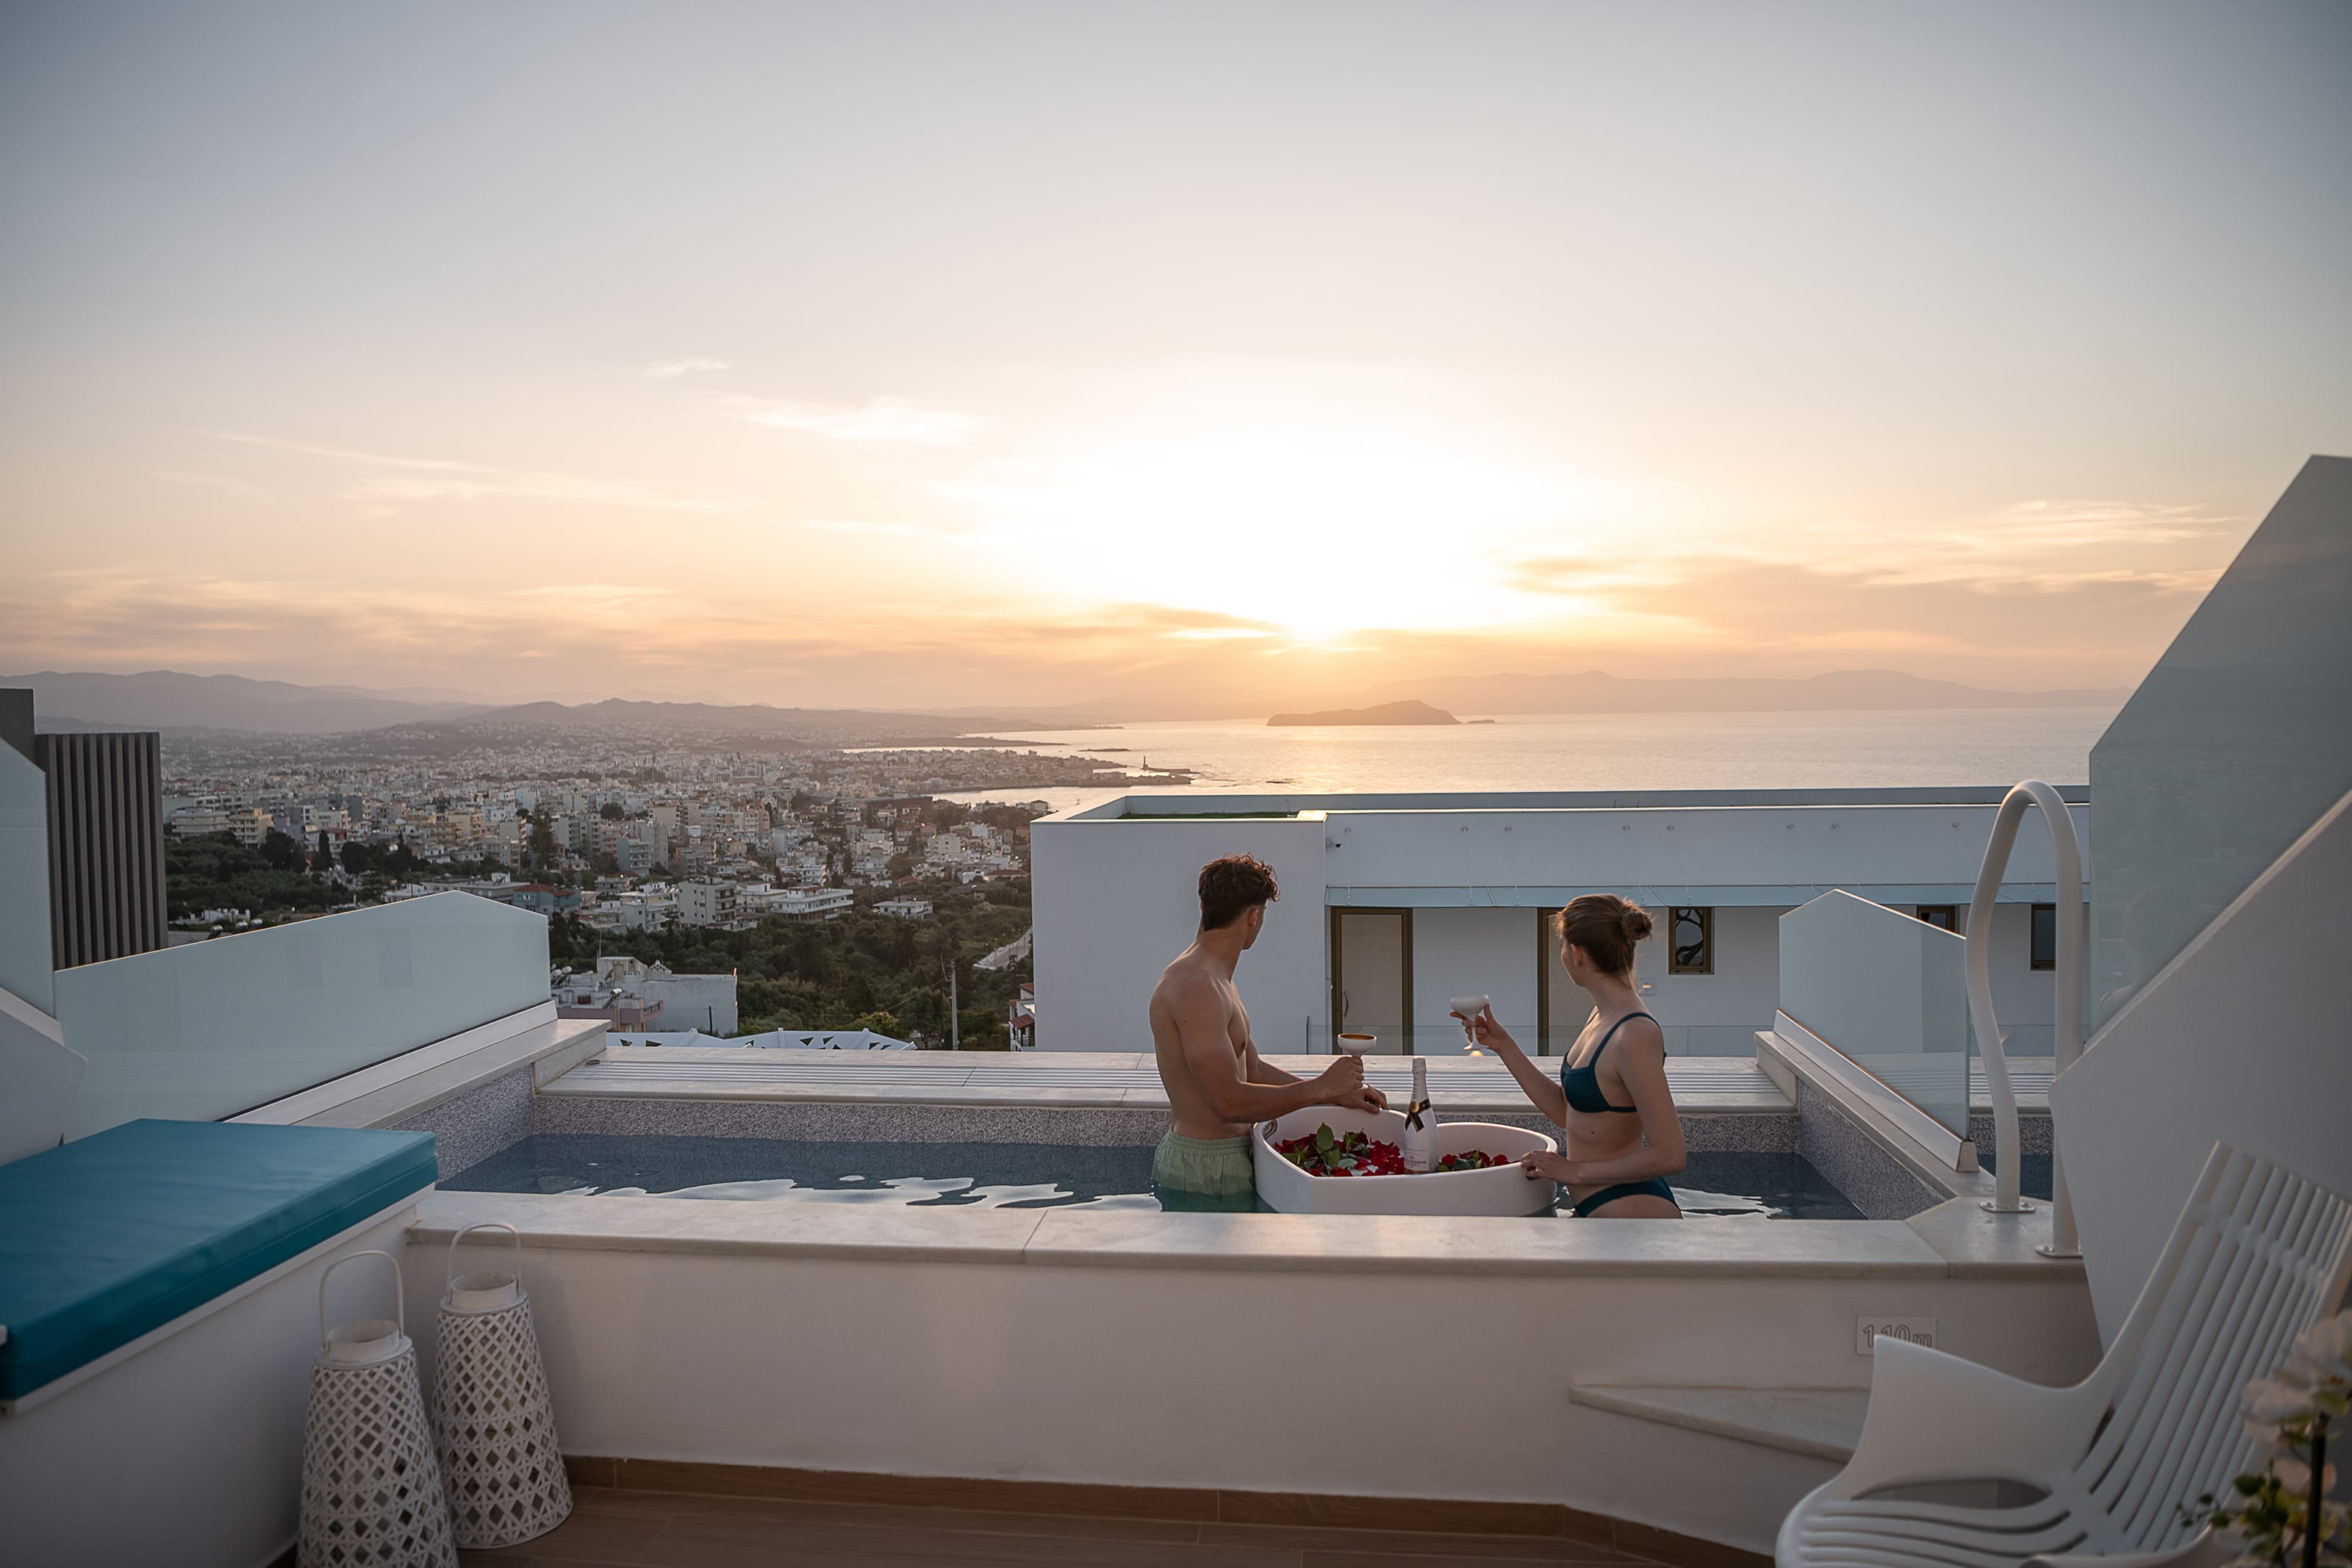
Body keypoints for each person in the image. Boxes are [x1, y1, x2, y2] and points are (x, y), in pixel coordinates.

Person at [1149, 853, 1388, 1211]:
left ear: (1203, 904)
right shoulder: (1196, 986)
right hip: (1204, 1169)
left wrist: (1336, 1096)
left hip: (1225, 1162)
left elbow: (1253, 1072)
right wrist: (1321, 1086)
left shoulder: (1216, 981)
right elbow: (1227, 1102)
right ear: (1253, 917)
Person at [1454, 894, 1685, 1218]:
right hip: (1601, 1206)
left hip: (1632, 1209)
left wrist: (1573, 1171)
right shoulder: (1602, 1016)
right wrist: (1503, 1045)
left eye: (1562, 945)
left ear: (1576, 954)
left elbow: (1671, 1155)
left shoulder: (1634, 1034)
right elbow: (1568, 1112)